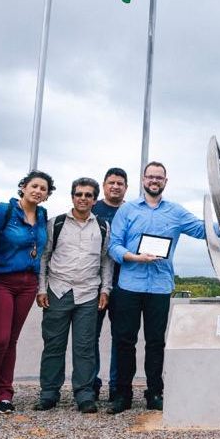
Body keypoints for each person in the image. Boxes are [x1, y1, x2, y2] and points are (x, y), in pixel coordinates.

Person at [106, 161, 220, 414]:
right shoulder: (127, 210)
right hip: (129, 284)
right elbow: (113, 245)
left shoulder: (175, 211)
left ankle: (154, 392)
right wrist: (133, 257)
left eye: (159, 177)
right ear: (143, 180)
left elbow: (202, 230)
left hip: (160, 287)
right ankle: (123, 394)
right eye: (150, 177)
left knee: (155, 342)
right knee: (124, 341)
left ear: (165, 181)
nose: (154, 181)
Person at [0, 170, 53, 415]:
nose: (38, 191)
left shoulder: (42, 215)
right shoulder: (2, 211)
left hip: (27, 283)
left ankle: (4, 394)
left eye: (43, 188)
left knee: (12, 340)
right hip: (0, 280)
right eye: (34, 186)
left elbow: (41, 252)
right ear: (23, 187)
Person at [34, 177, 112, 414]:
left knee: (85, 347)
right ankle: (49, 393)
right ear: (72, 196)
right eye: (79, 194)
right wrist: (42, 288)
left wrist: (105, 289)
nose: (83, 199)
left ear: (95, 199)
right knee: (53, 346)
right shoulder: (55, 223)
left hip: (88, 293)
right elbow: (44, 257)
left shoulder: (102, 226)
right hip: (58, 290)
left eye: (88, 195)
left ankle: (85, 395)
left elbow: (106, 261)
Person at [92, 167, 127, 402]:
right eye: (111, 182)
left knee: (120, 337)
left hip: (124, 284)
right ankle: (90, 385)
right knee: (89, 336)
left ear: (126, 188)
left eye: (120, 183)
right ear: (104, 185)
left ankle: (117, 387)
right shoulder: (92, 209)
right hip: (93, 283)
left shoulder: (131, 210)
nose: (115, 186)